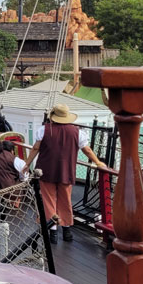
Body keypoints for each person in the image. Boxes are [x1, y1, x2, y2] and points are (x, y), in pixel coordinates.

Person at [28, 103, 105, 244]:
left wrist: (26, 164)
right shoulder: (78, 132)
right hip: (66, 170)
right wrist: (98, 162)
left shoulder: (44, 130)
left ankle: (53, 232)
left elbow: (35, 149)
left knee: (48, 200)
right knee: (65, 200)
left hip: (46, 170)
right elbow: (86, 150)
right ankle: (67, 230)